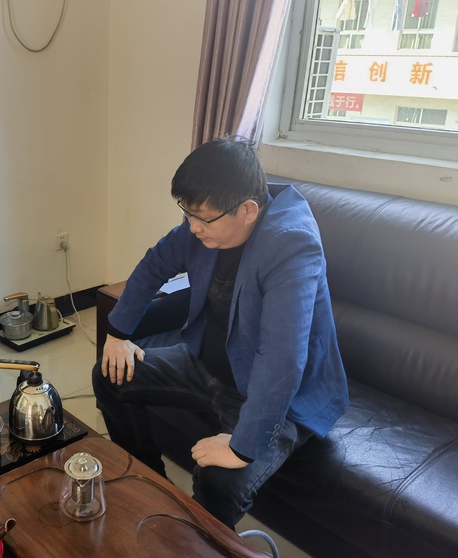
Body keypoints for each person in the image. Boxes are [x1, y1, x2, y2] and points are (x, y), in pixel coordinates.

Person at [92, 137, 349, 528]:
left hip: (275, 394)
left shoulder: (291, 245)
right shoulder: (205, 225)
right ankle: (149, 487)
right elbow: (155, 264)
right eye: (188, 214)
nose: (193, 227)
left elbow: (282, 357)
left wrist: (242, 449)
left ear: (248, 210)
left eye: (203, 219)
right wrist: (117, 334)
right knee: (110, 374)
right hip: (207, 362)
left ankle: (204, 553)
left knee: (220, 480)